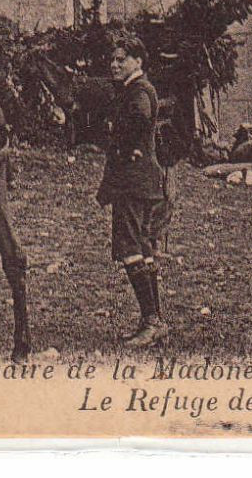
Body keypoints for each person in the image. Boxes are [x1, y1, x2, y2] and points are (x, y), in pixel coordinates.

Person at [95, 36, 170, 347]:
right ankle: (152, 320)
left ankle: (152, 321)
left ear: (138, 61)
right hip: (142, 181)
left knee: (131, 249)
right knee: (142, 247)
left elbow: (139, 117)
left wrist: (129, 147)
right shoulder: (136, 89)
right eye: (112, 59)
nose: (115, 64)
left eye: (122, 59)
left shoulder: (138, 91)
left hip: (133, 181)